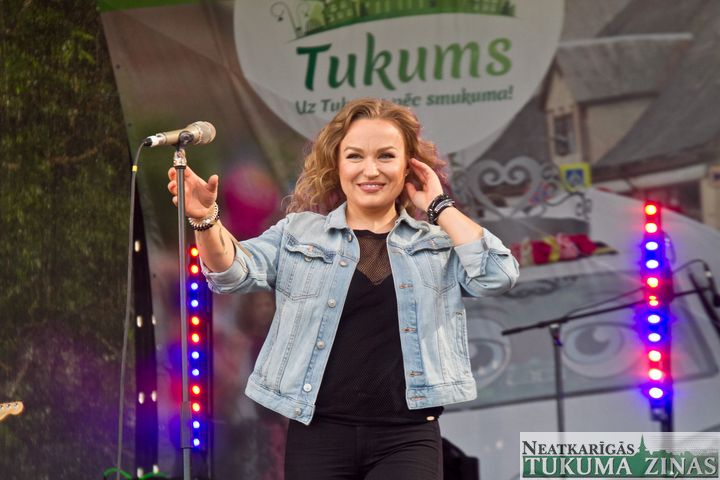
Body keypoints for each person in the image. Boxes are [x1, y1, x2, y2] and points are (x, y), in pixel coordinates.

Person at [167, 98, 519, 480]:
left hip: (407, 436)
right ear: (337, 165)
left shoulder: (435, 243)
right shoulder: (299, 234)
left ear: (408, 166)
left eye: (386, 156)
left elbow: (498, 274)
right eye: (355, 156)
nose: (371, 169)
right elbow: (231, 273)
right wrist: (206, 220)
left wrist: (439, 205)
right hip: (318, 434)